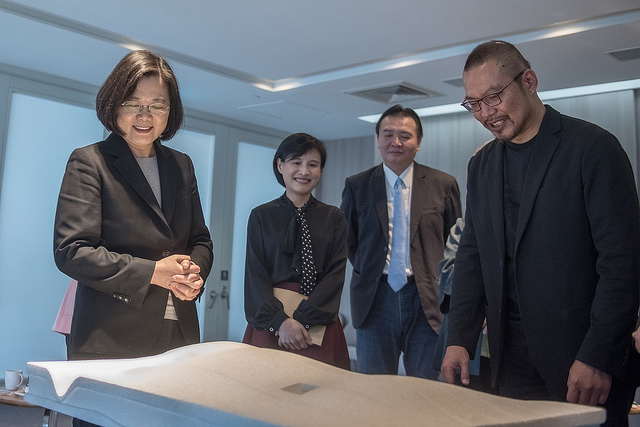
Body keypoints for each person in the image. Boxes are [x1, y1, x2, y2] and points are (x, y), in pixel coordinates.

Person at [441, 40, 640, 426]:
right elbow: (472, 256)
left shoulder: (593, 148)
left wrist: (598, 356)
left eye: (494, 97)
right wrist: (459, 338)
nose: (486, 113)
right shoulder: (482, 165)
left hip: (581, 359)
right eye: (474, 104)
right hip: (510, 360)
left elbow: (622, 264)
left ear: (529, 81)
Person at [54, 50, 213, 362]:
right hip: (110, 335)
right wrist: (153, 272)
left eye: (158, 105)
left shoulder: (182, 165)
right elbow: (72, 251)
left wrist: (194, 272)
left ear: (170, 111)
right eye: (132, 103)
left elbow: (200, 240)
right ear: (113, 104)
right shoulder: (89, 162)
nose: (145, 116)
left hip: (179, 331)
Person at [341, 104, 461, 378]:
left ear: (418, 142)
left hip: (427, 298)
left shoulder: (443, 184)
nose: (396, 142)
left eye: (405, 136)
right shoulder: (357, 185)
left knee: (426, 389)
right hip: (374, 299)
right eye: (388, 134)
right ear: (378, 139)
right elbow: (349, 241)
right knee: (375, 390)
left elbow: (455, 244)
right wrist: (369, 268)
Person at [242, 133, 350, 370]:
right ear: (280, 165)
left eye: (313, 164)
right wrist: (281, 322)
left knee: (320, 389)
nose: (304, 171)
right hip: (272, 323)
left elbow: (335, 276)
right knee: (265, 387)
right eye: (296, 162)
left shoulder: (334, 217)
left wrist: (301, 321)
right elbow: (255, 275)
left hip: (317, 322)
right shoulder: (261, 216)